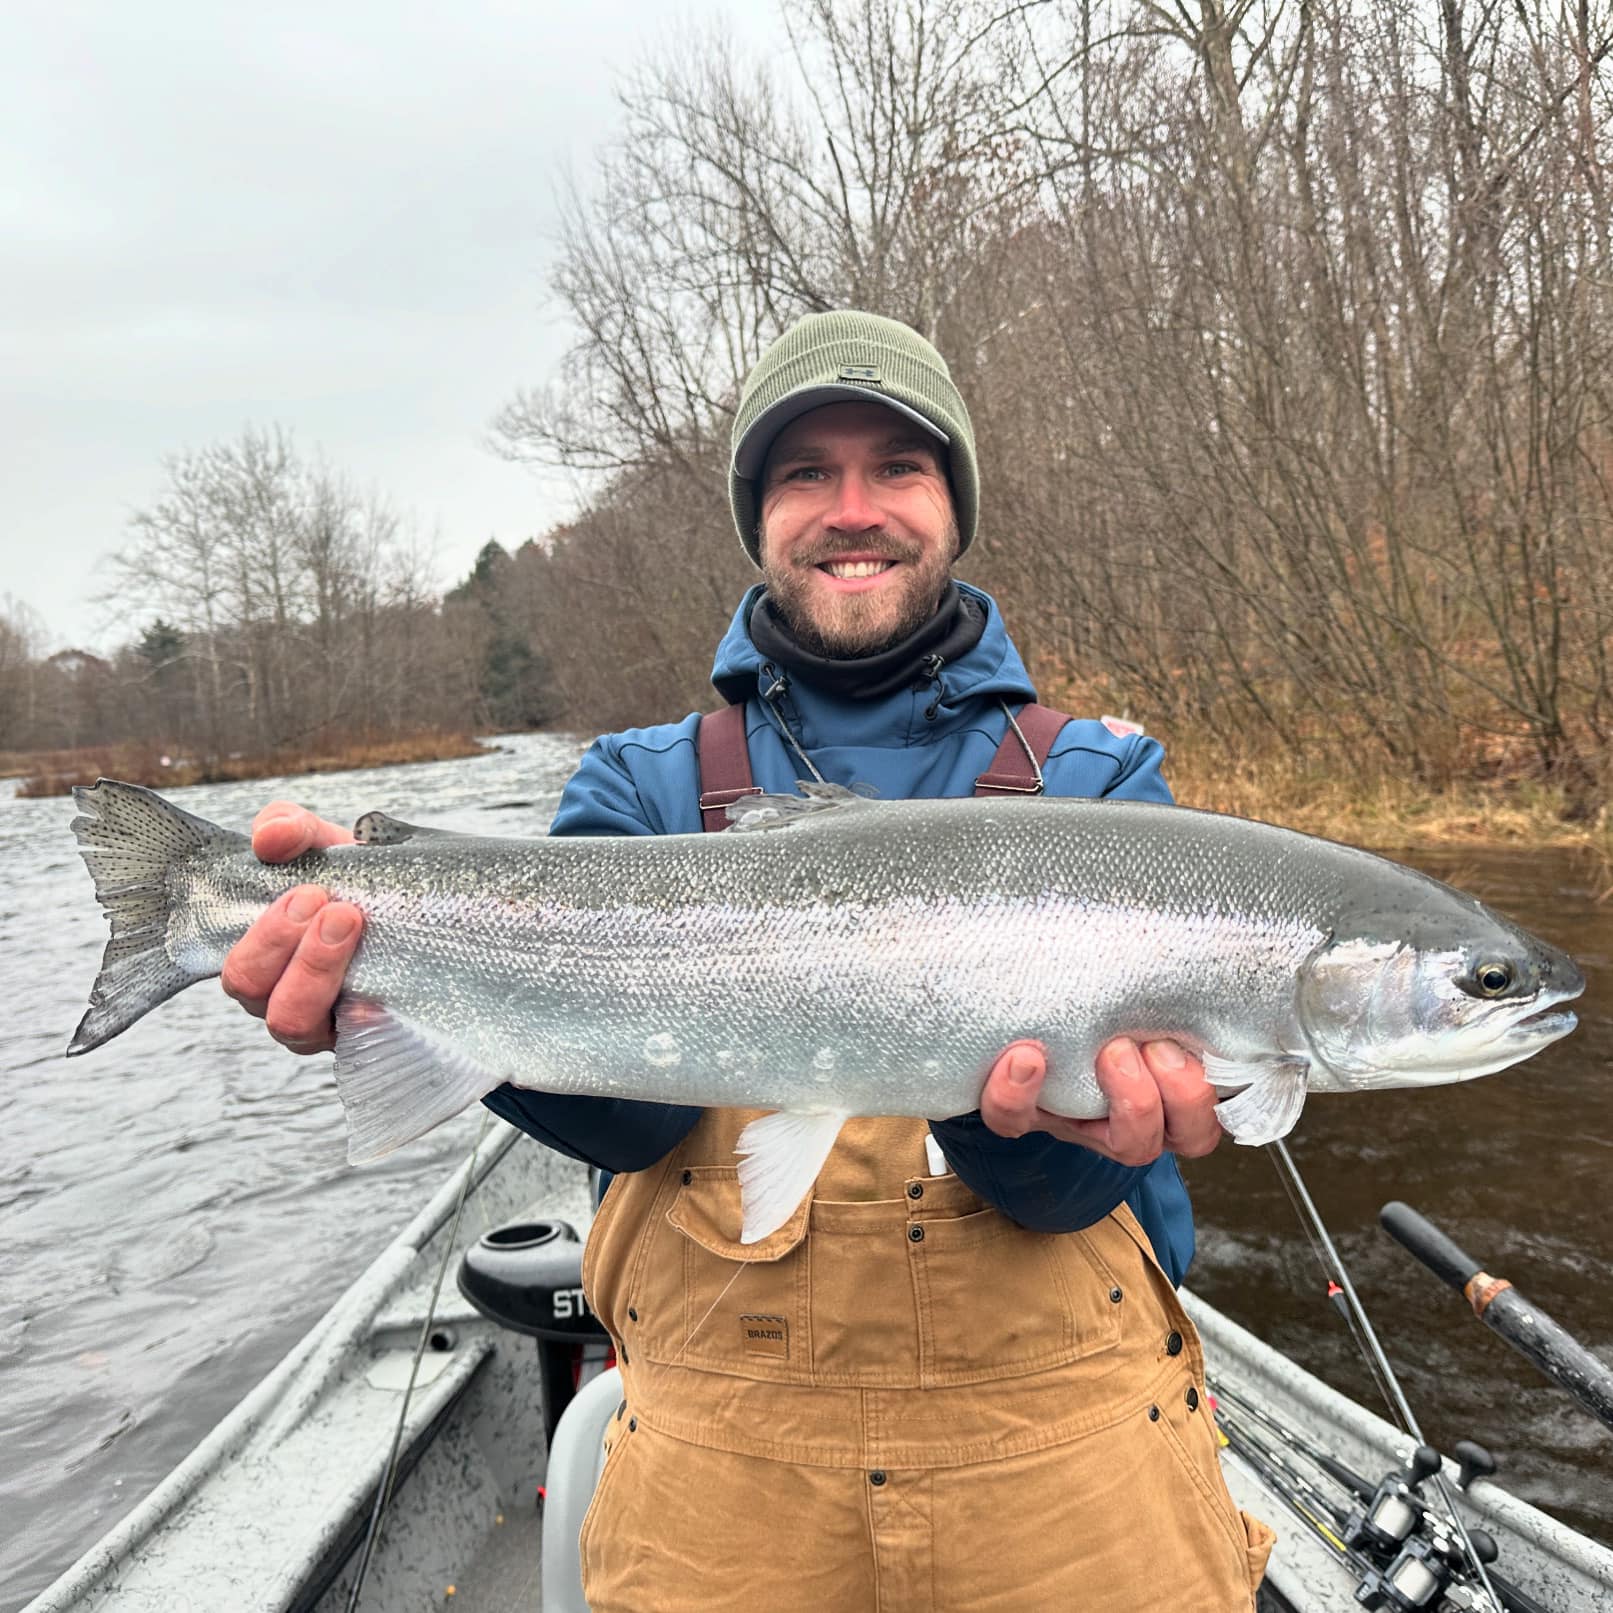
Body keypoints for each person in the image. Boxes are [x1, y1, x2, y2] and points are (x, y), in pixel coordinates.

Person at [220, 310, 1274, 1610]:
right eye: (803, 473)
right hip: (724, 1493)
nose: (852, 508)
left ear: (952, 503)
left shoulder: (1099, 779)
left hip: (1064, 1475)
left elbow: (1062, 1203)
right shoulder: (645, 781)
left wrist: (1023, 1125)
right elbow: (626, 1121)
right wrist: (414, 983)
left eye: (896, 465)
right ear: (757, 516)